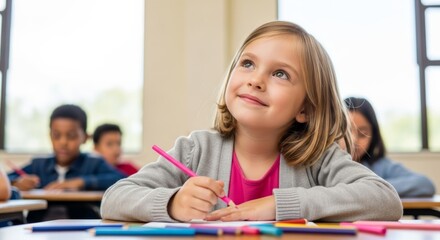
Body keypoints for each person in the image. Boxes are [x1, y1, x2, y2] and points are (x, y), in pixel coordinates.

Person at [101, 21, 402, 222]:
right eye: (247, 64)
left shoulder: (318, 159)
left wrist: (278, 206)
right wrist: (173, 203)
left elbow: (385, 201)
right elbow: (114, 199)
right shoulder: (195, 150)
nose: (256, 80)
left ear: (306, 109)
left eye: (280, 74)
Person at [8, 104, 125, 221]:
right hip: (39, 226)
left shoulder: (94, 163)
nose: (63, 142)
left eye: (71, 136)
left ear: (85, 137)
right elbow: (6, 179)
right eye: (56, 135)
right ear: (50, 136)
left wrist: (81, 182)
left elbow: (121, 179)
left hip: (82, 228)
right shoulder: (39, 165)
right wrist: (17, 183)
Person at [344, 96, 435, 198]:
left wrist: (371, 188)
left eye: (363, 133)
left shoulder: (381, 166)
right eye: (347, 132)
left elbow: (425, 184)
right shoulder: (327, 166)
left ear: (374, 136)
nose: (354, 140)